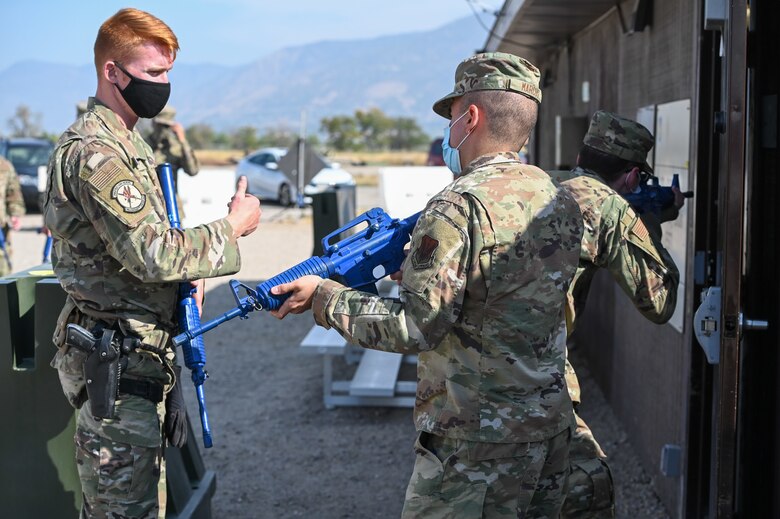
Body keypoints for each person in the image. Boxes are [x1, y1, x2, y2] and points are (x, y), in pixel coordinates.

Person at [270, 52, 583, 518]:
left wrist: (324, 296)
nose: (448, 131)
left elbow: (415, 327)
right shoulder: (557, 196)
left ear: (470, 117)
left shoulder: (457, 206)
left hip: (478, 443)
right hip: (550, 427)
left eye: (452, 116)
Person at [42, 8, 261, 518]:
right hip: (115, 363)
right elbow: (152, 252)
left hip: (139, 356)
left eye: (167, 74)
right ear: (111, 72)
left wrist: (191, 275)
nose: (163, 86)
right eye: (152, 74)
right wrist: (232, 227)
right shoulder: (97, 154)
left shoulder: (128, 143)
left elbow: (144, 250)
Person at [548, 111, 683, 518]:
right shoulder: (610, 208)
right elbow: (660, 302)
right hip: (538, 381)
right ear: (631, 177)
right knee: (588, 494)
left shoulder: (542, 184)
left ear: (579, 155)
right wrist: (648, 224)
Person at [0, 155, 25, 276]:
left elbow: (13, 193)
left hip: (1, 230)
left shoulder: (4, 166)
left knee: (3, 272)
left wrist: (15, 214)